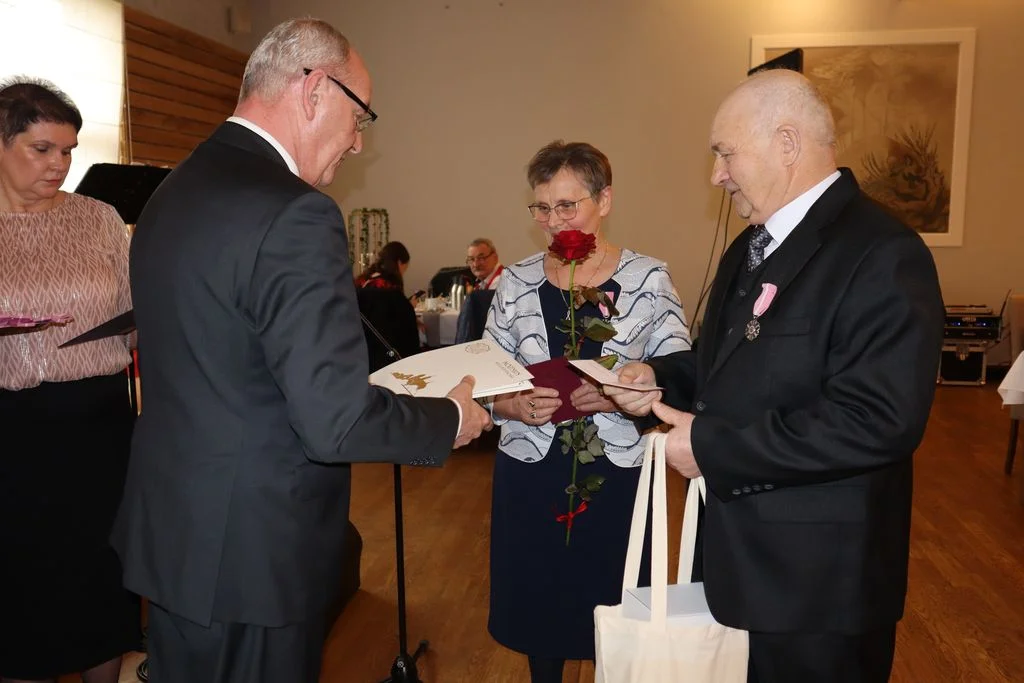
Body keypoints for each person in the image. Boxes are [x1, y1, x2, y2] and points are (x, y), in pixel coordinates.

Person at [110, 18, 490, 682]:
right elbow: (333, 420)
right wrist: (450, 417)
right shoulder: (296, 213)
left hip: (178, 534)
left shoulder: (175, 188)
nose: (358, 140)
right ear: (314, 90)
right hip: (254, 553)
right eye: (360, 115)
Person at [605, 69, 944, 683]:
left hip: (817, 590)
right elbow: (724, 363)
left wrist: (711, 447)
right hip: (738, 565)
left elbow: (877, 421)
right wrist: (656, 378)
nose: (717, 175)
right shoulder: (751, 247)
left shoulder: (882, 253)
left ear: (787, 144)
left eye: (725, 153)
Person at [484, 141, 690, 683]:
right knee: (540, 601)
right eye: (542, 207)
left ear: (605, 200)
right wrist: (510, 403)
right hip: (531, 471)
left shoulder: (648, 279)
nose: (553, 222)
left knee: (613, 601)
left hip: (616, 473)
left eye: (566, 206)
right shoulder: (515, 282)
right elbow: (483, 375)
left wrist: (630, 389)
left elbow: (680, 368)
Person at [0, 78, 139, 683]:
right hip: (12, 435)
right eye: (42, 149)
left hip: (101, 428)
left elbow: (137, 312)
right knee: (20, 581)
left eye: (68, 150)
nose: (59, 164)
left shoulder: (100, 219)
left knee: (98, 573)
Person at [354, 241, 421, 369]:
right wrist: (408, 307)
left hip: (362, 354)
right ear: (399, 263)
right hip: (387, 357)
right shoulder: (391, 290)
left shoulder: (362, 281)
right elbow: (404, 333)